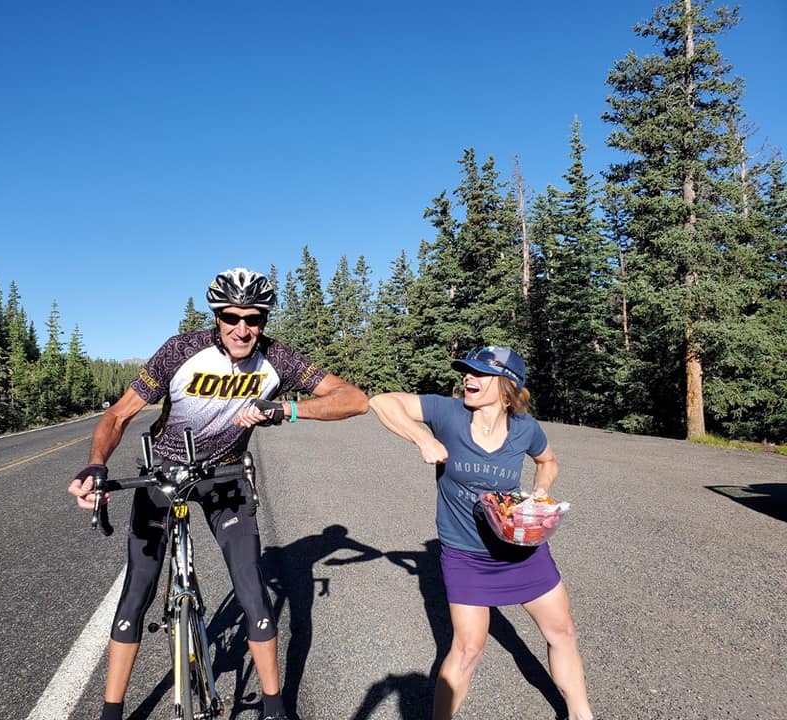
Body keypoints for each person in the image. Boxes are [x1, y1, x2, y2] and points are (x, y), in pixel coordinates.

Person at [68, 267, 368, 720]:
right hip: (164, 473)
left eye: (254, 318)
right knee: (137, 589)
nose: (242, 329)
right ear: (217, 315)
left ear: (264, 319)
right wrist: (96, 465)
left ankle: (274, 709)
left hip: (224, 476)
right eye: (231, 317)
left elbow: (355, 399)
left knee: (252, 590)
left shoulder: (278, 359)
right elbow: (118, 416)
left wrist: (286, 408)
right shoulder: (181, 351)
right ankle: (111, 712)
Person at [367, 346, 600, 720]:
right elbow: (381, 401)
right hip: (466, 555)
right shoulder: (448, 412)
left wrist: (539, 494)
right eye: (466, 371)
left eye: (479, 373)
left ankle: (581, 714)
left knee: (563, 632)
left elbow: (548, 461)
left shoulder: (525, 428)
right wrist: (423, 439)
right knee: (468, 648)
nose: (468, 378)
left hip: (521, 549)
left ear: (508, 385)